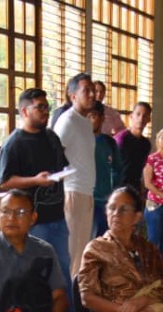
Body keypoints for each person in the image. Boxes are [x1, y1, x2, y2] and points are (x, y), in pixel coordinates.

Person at [0, 88, 72, 294]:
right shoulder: (14, 143)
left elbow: (62, 165)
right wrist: (35, 180)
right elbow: (5, 182)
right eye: (39, 107)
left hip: (57, 216)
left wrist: (64, 174)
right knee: (34, 275)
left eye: (46, 107)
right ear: (24, 111)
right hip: (32, 222)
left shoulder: (51, 137)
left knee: (63, 271)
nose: (45, 112)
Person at [53, 72, 97, 276]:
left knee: (81, 253)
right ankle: (67, 302)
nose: (91, 94)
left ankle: (76, 300)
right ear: (72, 95)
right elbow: (55, 155)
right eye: (86, 90)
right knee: (70, 252)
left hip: (87, 191)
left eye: (93, 90)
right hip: (72, 191)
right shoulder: (67, 120)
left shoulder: (86, 122)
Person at [87, 101, 124, 238]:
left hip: (103, 200)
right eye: (86, 116)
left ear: (102, 118)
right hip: (84, 199)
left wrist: (112, 192)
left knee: (103, 240)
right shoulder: (80, 141)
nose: (89, 120)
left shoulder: (109, 142)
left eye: (93, 116)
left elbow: (118, 169)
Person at [114, 102, 153, 192]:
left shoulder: (146, 144)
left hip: (135, 189)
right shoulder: (121, 139)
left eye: (145, 115)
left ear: (149, 119)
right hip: (117, 188)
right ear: (131, 116)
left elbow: (141, 170)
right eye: (138, 114)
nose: (141, 119)